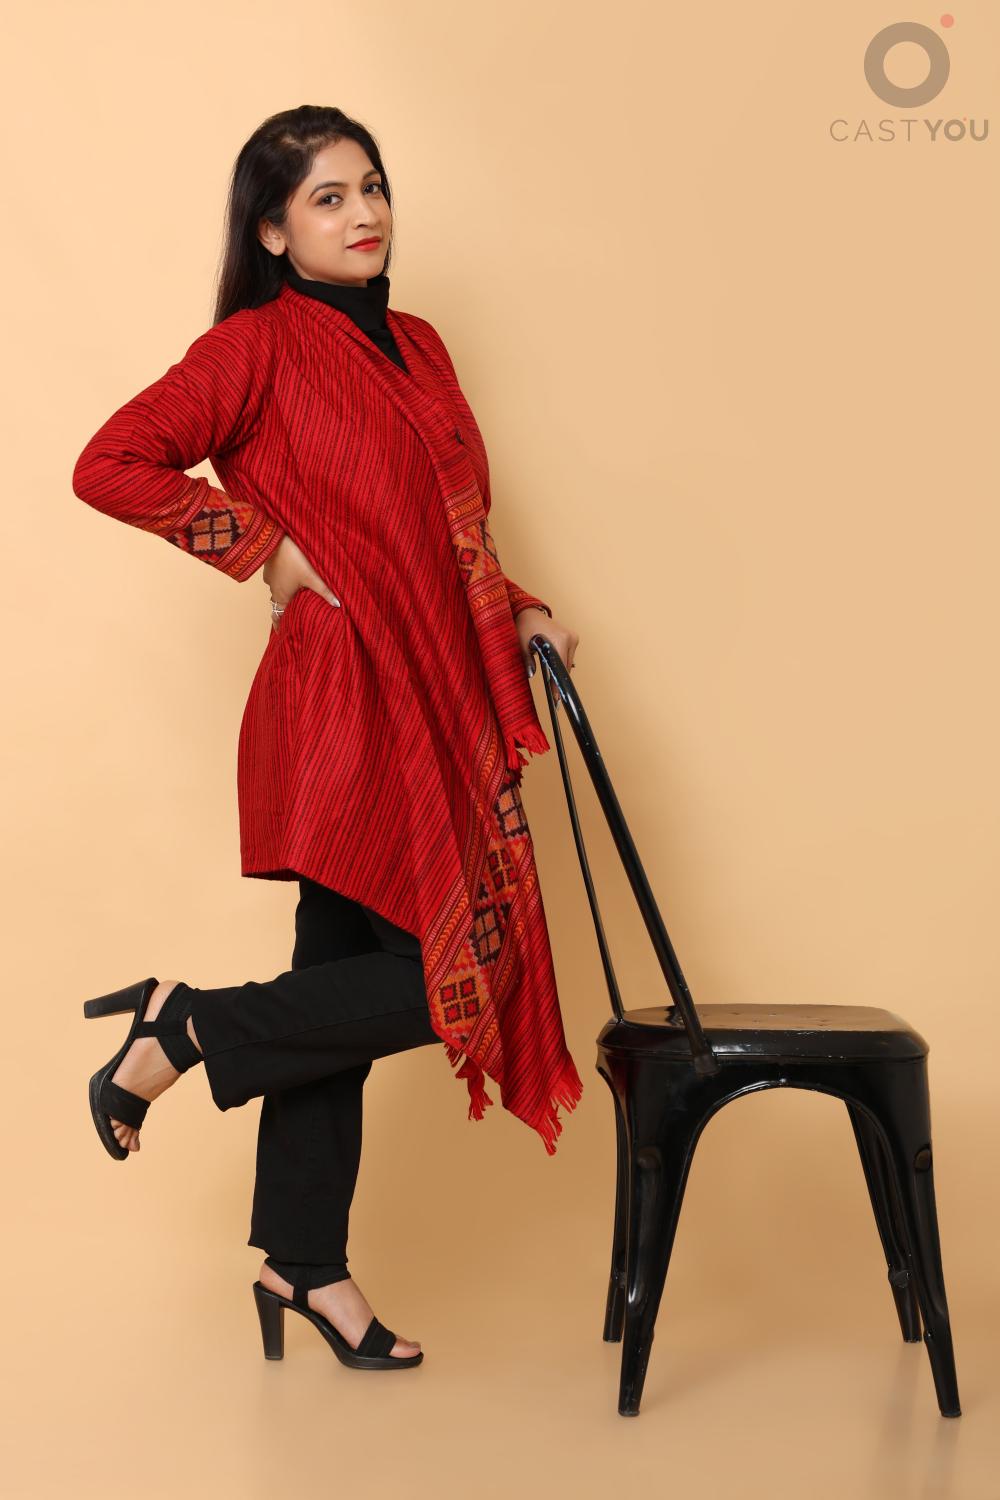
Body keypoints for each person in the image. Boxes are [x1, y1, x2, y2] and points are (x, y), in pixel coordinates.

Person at [73, 104, 583, 1372]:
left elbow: (447, 535)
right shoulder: (251, 348)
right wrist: (263, 548)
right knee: (451, 971)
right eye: (328, 198)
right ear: (271, 231)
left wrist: (520, 611)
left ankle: (302, 1263)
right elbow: (111, 462)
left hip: (433, 693)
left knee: (334, 993)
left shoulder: (419, 344)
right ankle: (187, 1029)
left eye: (374, 188)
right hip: (342, 704)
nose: (364, 215)